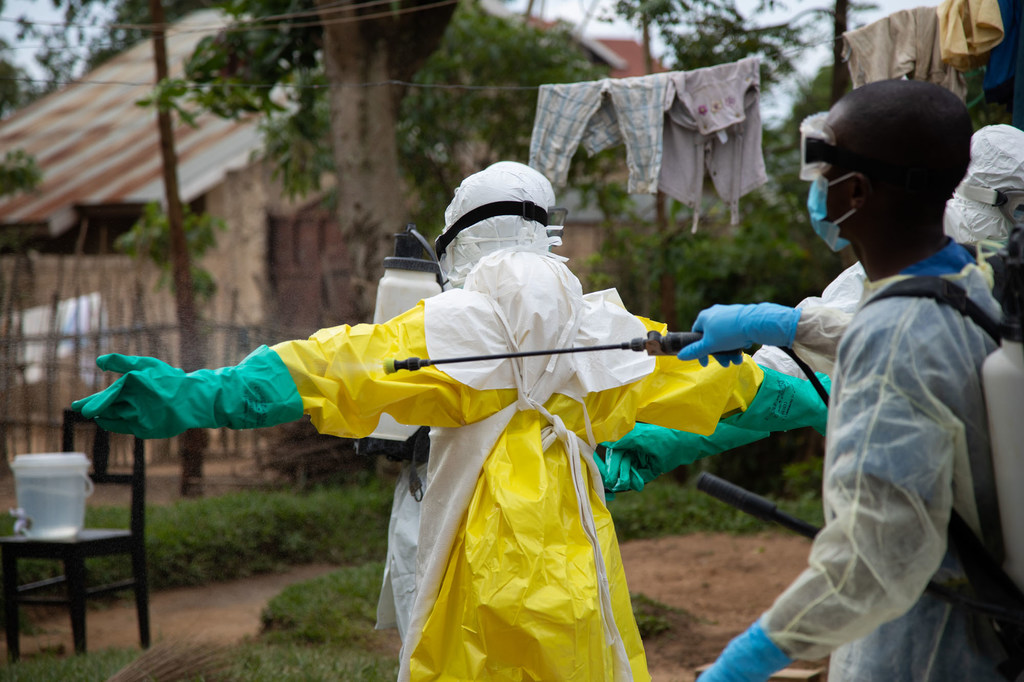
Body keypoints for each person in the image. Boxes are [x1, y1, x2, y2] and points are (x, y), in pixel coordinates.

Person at [72, 161, 827, 681]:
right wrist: (835, 379)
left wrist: (198, 395)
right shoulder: (608, 326)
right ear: (548, 231)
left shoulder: (451, 326)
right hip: (574, 557)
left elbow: (329, 366)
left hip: (474, 563)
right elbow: (731, 387)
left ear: (458, 238)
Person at [684, 79, 1008, 681]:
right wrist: (790, 323)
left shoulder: (893, 338)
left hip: (927, 649)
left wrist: (742, 663)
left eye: (820, 163)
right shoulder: (972, 282)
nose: (813, 184)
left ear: (855, 191)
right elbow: (906, 324)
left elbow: (870, 562)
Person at [599, 123, 1024, 494]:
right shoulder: (924, 251)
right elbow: (797, 368)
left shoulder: (966, 261)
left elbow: (904, 345)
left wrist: (789, 330)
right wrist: (671, 436)